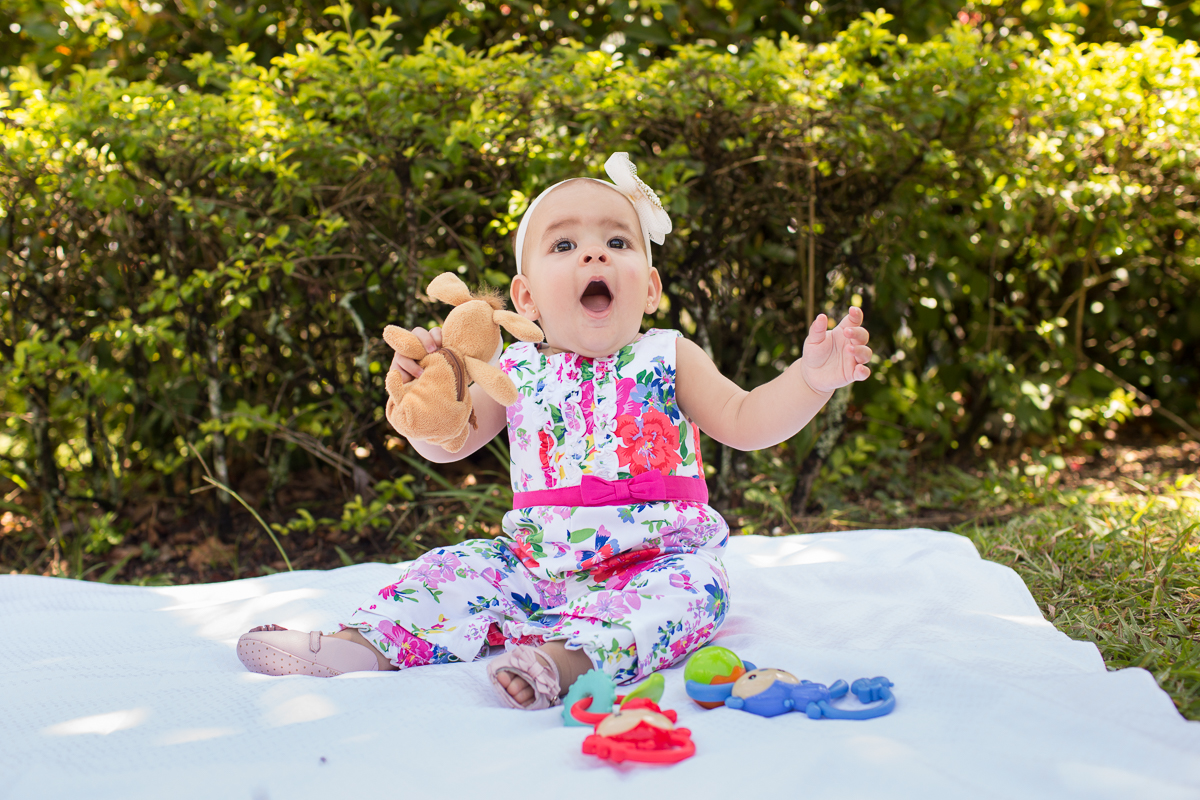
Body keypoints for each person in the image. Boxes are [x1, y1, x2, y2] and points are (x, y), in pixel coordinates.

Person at [236, 153, 873, 709]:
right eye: (564, 246)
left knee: (697, 593)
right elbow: (450, 443)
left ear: (648, 288)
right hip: (532, 565)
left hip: (652, 563)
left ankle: (571, 662)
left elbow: (746, 422)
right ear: (527, 298)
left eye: (617, 243)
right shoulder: (511, 368)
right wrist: (426, 404)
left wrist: (812, 379)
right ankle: (361, 645)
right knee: (449, 567)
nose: (594, 253)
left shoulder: (669, 355)